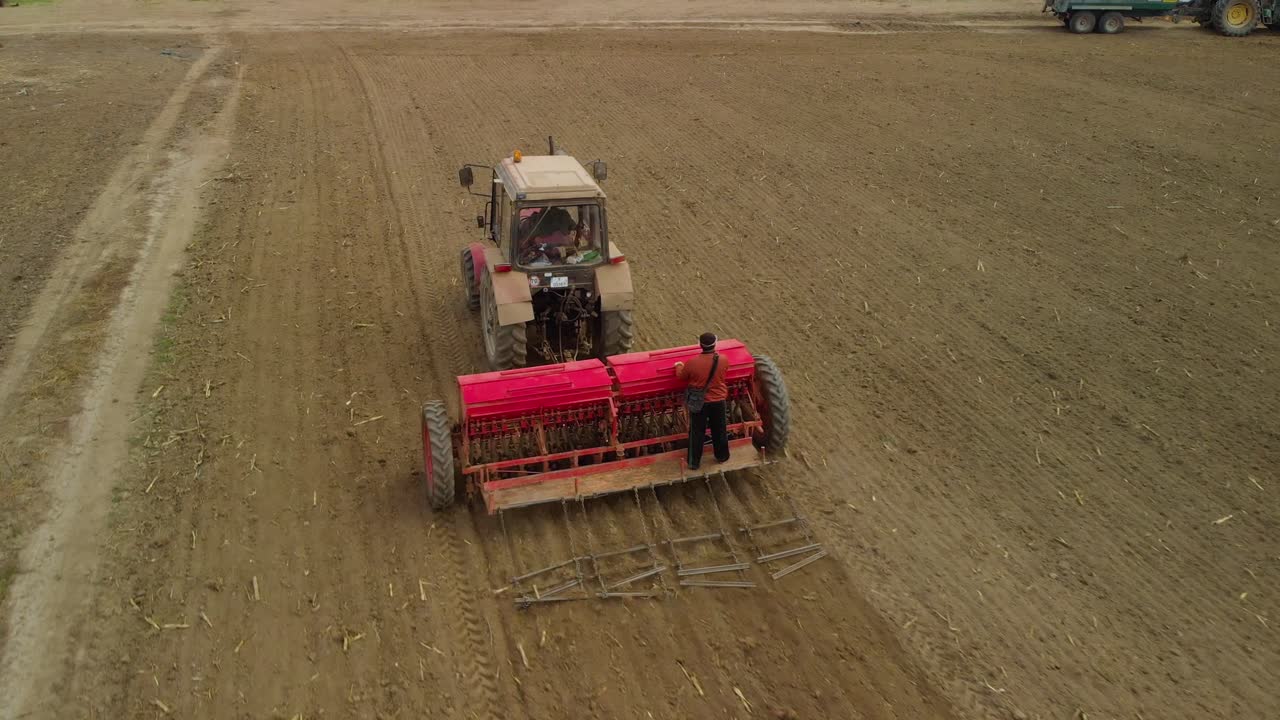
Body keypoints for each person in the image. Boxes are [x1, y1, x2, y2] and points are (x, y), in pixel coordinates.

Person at [674, 333, 729, 470]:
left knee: (697, 432)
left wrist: (678, 365)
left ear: (700, 344)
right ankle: (722, 456)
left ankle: (694, 463)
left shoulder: (692, 363)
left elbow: (681, 377)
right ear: (715, 344)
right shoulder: (723, 360)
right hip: (719, 400)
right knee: (720, 429)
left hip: (700, 403)